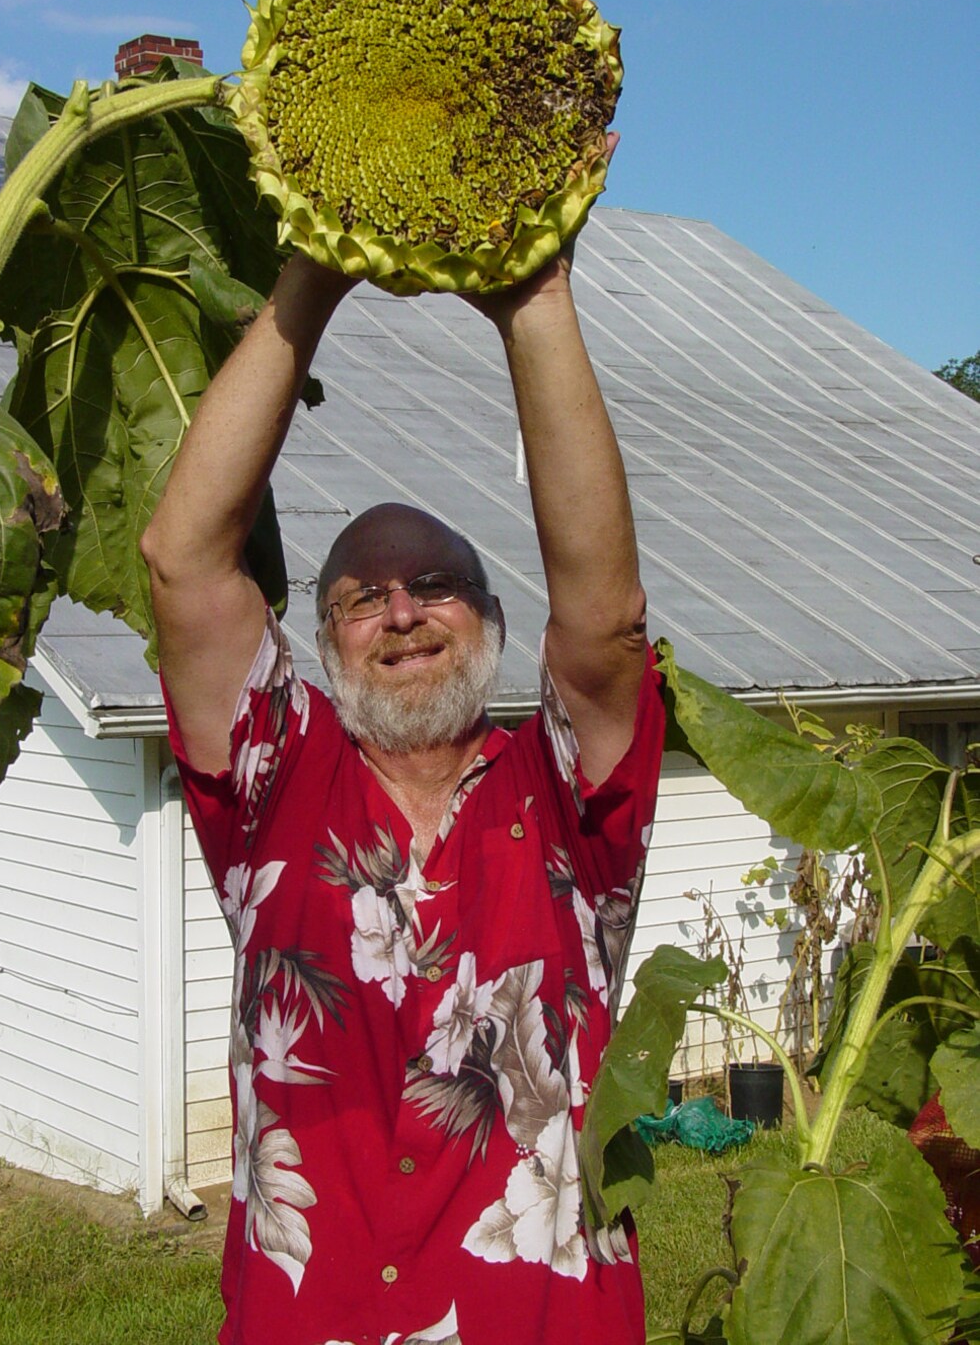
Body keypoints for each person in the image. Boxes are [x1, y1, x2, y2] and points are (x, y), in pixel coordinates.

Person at [141, 180, 666, 1345]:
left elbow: (606, 613)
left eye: (435, 585)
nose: (402, 610)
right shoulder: (278, 785)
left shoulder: (569, 797)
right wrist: (311, 276)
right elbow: (183, 564)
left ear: (489, 618)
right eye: (361, 597)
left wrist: (534, 297)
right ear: (323, 649)